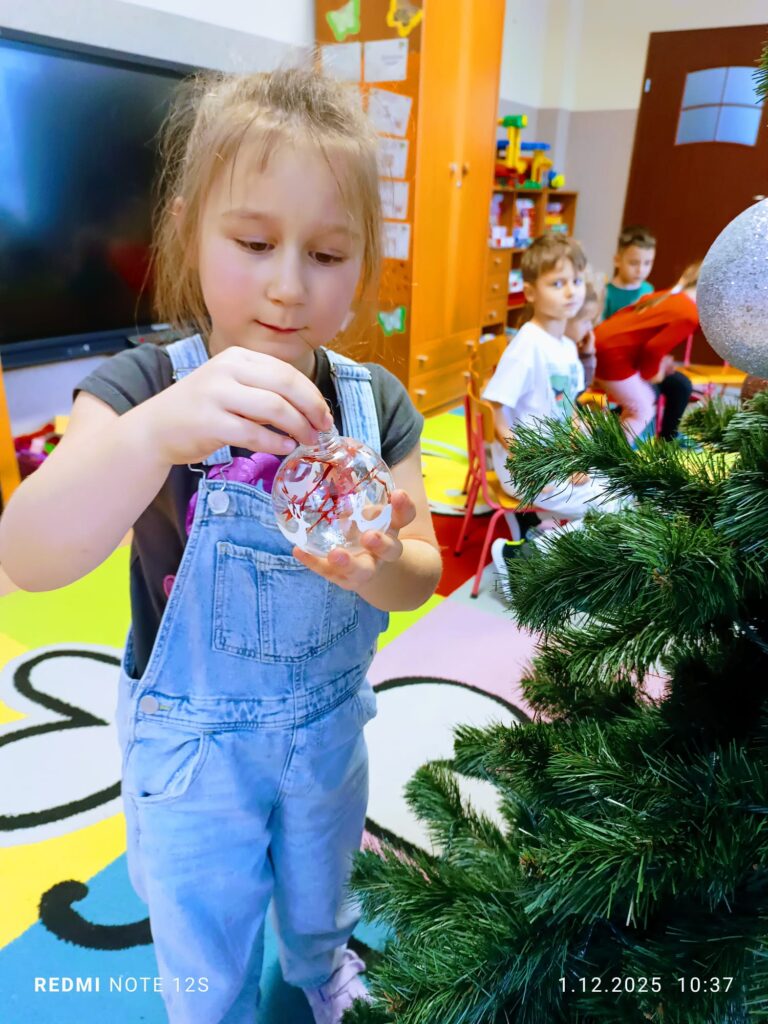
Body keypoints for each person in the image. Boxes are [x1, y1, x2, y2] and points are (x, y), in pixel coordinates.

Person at [0, 66, 442, 1024]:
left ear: (363, 260)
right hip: (194, 751)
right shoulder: (139, 385)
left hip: (328, 731)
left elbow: (422, 576)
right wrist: (157, 432)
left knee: (324, 888)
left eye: (327, 254)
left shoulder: (378, 403)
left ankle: (323, 972)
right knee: (203, 933)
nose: (287, 287)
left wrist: (381, 563)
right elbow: (28, 558)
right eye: (252, 242)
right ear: (192, 230)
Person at [483, 236, 625, 589]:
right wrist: (538, 467)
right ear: (530, 292)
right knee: (609, 505)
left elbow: (569, 411)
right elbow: (497, 418)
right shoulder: (528, 345)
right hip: (527, 467)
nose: (570, 292)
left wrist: (582, 454)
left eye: (576, 282)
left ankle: (547, 546)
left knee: (623, 490)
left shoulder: (564, 348)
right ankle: (522, 559)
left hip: (556, 458)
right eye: (557, 283)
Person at [593, 263, 700, 442]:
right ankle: (612, 455)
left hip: (604, 343)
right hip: (613, 354)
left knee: (646, 399)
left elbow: (635, 326)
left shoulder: (669, 295)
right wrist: (654, 373)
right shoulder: (689, 314)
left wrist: (659, 363)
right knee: (643, 410)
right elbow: (652, 349)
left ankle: (609, 443)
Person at [603, 225, 656, 320]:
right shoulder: (606, 293)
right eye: (634, 263)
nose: (641, 270)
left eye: (647, 263)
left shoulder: (648, 290)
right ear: (617, 261)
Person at [564, 281, 601, 388]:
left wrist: (586, 355)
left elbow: (581, 386)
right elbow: (578, 390)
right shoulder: (556, 352)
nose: (590, 327)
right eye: (586, 321)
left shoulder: (571, 346)